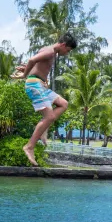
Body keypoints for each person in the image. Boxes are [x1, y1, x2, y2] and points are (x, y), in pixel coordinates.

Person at [12, 32, 78, 166]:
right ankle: (29, 147)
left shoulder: (48, 50)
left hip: (40, 85)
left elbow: (36, 66)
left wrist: (28, 70)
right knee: (49, 117)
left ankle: (44, 129)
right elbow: (32, 60)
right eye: (68, 50)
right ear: (63, 45)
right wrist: (24, 75)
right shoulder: (50, 52)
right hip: (34, 85)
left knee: (63, 104)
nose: (67, 53)